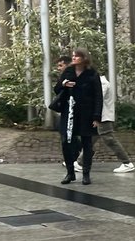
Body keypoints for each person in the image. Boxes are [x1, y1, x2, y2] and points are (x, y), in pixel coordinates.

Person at [54, 48, 103, 185]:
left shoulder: (92, 74)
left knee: (86, 142)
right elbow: (57, 89)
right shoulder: (68, 72)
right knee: (66, 142)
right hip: (68, 112)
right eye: (73, 56)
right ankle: (70, 173)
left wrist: (96, 116)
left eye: (77, 56)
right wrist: (64, 84)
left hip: (86, 113)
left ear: (84, 58)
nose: (74, 58)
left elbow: (98, 96)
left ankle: (86, 173)